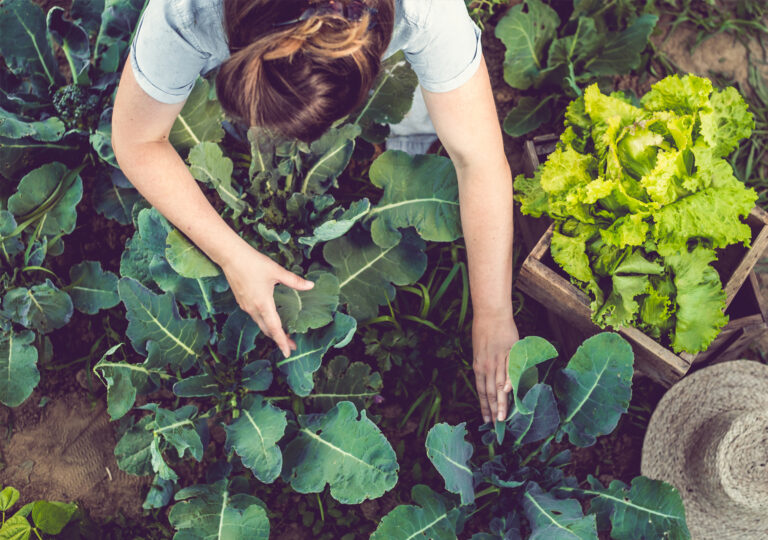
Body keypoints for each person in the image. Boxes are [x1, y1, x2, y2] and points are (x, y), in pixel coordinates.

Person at [111, 0, 519, 424]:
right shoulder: (188, 10)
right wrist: (233, 256)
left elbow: (480, 161)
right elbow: (136, 140)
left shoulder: (426, 11)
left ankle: (409, 118)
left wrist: (493, 313)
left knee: (430, 111)